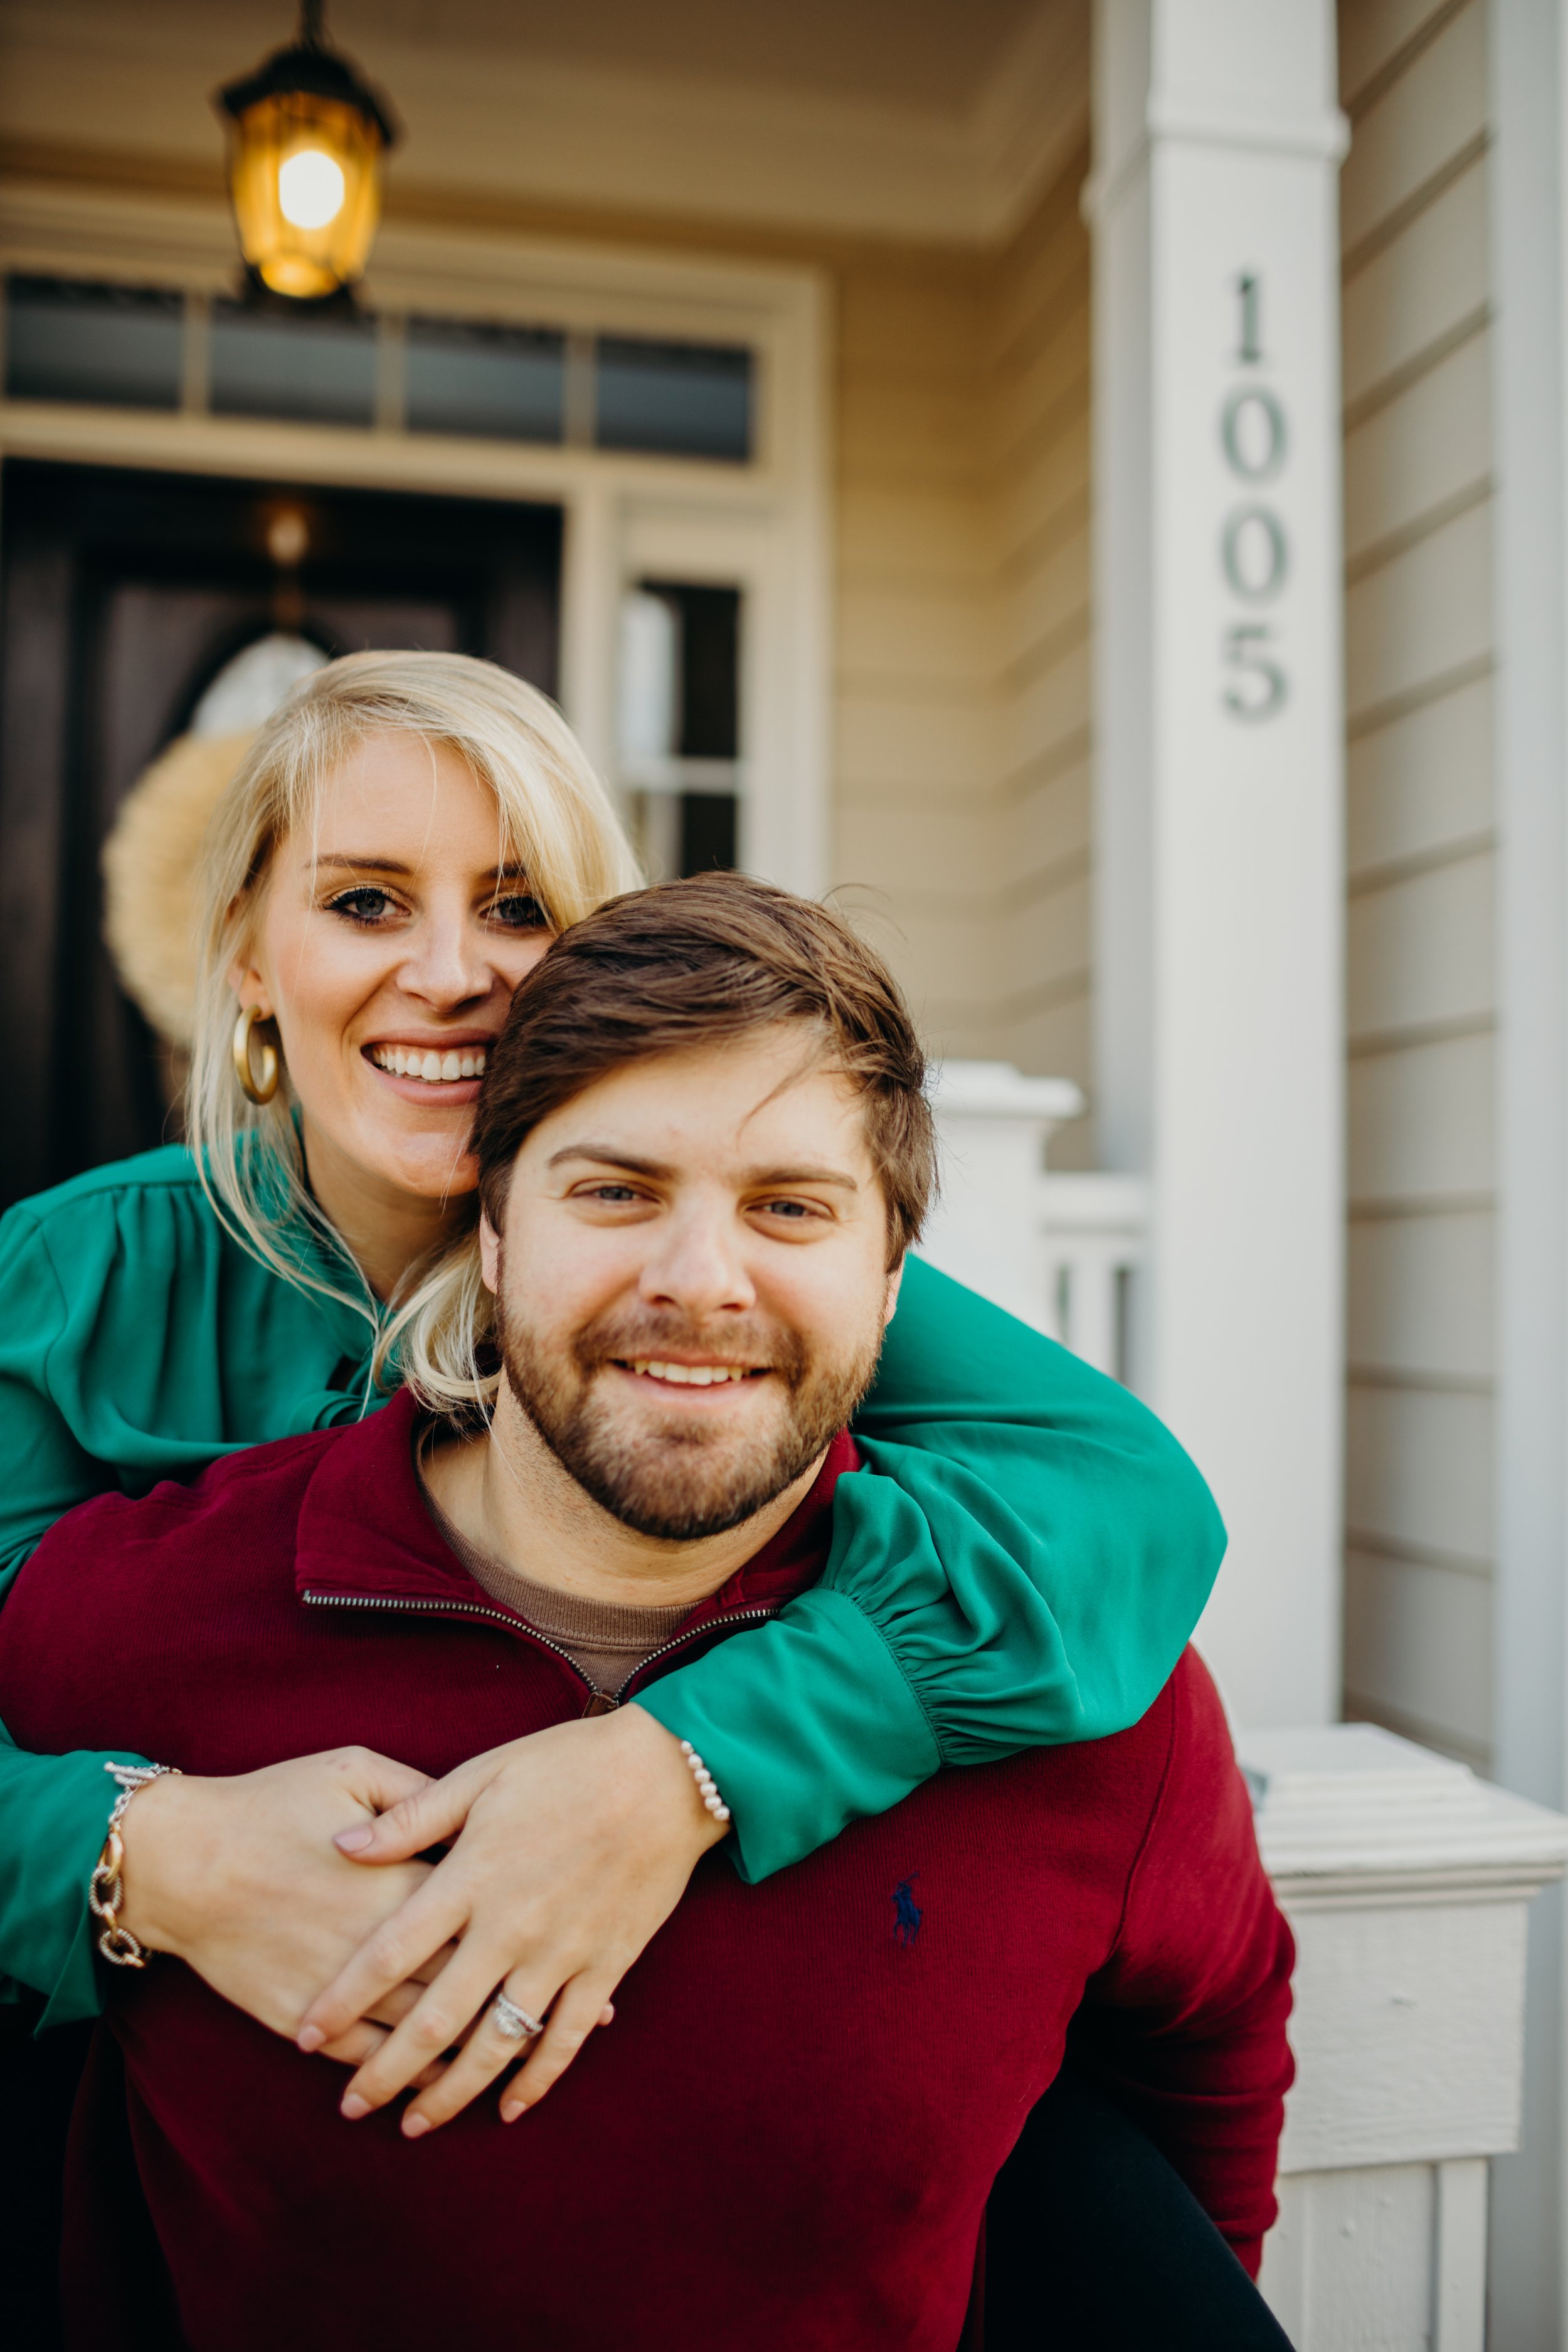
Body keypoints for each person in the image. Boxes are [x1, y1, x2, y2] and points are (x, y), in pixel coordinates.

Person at [0, 876, 1295, 2352]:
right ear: (486, 1239)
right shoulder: (141, 1626)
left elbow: (1208, 2061)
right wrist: (129, 1856)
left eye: (788, 1209)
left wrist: (678, 1767)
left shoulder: (1070, 1695)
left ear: (891, 1283)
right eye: (612, 1192)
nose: (697, 1282)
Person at [0, 651, 1226, 2107]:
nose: (450, 974)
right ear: (251, 958)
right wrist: (145, 1857)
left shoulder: (686, 1269)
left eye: (516, 908)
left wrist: (685, 1764)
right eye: (363, 902)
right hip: (133, 2097)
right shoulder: (69, 1280)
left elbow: (1127, 1500)